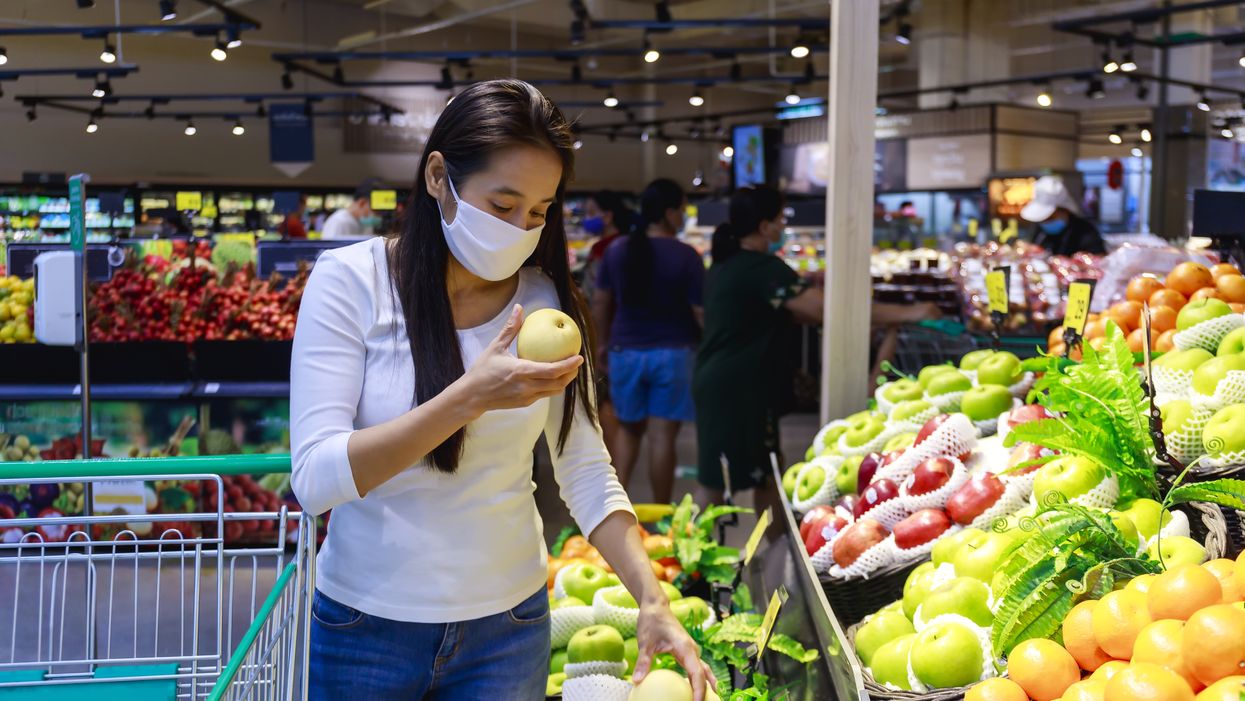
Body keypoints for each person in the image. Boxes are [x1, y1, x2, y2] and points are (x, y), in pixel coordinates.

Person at [290, 80, 711, 701]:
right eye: (504, 204)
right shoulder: (350, 283)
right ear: (439, 176)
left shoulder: (546, 303)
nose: (521, 228)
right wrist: (469, 396)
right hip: (364, 630)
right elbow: (316, 478)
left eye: (540, 212)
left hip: (508, 630)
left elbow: (587, 468)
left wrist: (653, 598)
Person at [692, 186, 822, 515]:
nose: (783, 227)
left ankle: (776, 552)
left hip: (724, 382)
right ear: (765, 226)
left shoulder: (725, 264)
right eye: (780, 219)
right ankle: (689, 559)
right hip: (738, 388)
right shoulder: (762, 269)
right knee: (721, 481)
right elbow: (819, 309)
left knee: (762, 473)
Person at [592, 179, 703, 506]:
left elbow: (600, 302)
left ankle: (615, 513)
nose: (683, 216)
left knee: (627, 432)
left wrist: (602, 343)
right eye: (682, 209)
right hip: (674, 354)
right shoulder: (687, 256)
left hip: (625, 351)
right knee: (662, 437)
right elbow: (700, 312)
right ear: (668, 213)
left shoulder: (618, 250)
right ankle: (661, 514)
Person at [580, 190, 633, 463]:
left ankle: (609, 468)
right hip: (628, 335)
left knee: (605, 406)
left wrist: (597, 340)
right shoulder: (632, 245)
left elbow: (597, 300)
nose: (587, 219)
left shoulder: (603, 251)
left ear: (608, 216)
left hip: (606, 336)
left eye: (591, 212)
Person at [1020, 175, 1106, 256]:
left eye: (1050, 217)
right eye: (1042, 219)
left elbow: (1099, 260)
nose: (1045, 222)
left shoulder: (1086, 232)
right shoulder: (1039, 229)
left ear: (1064, 210)